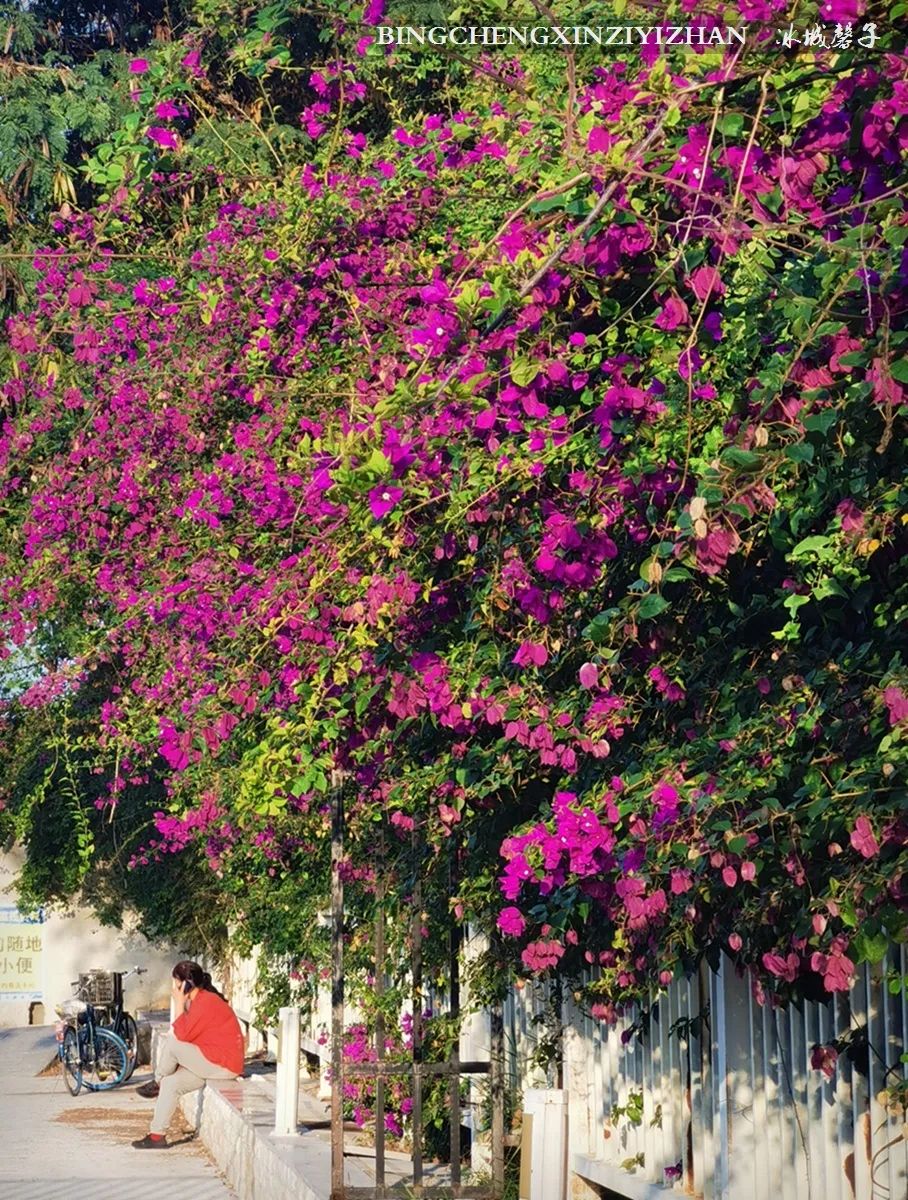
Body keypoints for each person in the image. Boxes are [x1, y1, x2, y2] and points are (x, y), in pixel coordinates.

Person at [131, 960, 244, 1149]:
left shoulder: (205, 1002)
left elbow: (178, 1036)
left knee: (173, 1046)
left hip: (222, 1064)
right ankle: (157, 1136)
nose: (173, 988)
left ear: (185, 984)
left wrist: (179, 1003)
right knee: (171, 1083)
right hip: (210, 1062)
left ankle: (156, 1081)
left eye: (175, 983)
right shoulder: (199, 1000)